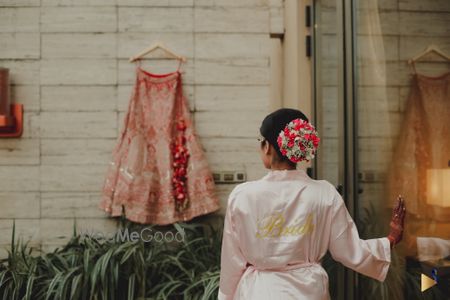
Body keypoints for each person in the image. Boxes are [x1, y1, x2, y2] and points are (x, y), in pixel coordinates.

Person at [218, 108, 406, 300]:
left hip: (259, 292)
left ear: (267, 147)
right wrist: (390, 239)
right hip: (309, 292)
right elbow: (349, 250)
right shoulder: (324, 193)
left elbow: (232, 262)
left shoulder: (243, 196)